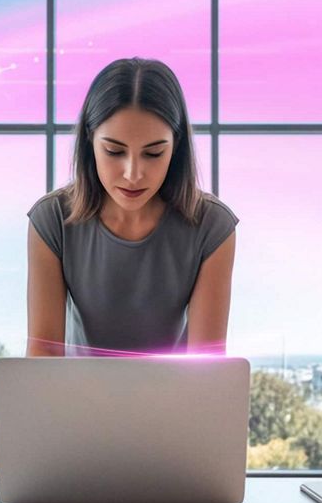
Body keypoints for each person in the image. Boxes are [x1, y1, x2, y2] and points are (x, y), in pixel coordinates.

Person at [27, 58, 237, 357]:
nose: (133, 174)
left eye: (153, 153)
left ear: (176, 146)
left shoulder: (212, 226)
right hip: (74, 389)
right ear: (89, 141)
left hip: (177, 389)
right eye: (114, 151)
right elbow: (43, 356)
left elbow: (206, 363)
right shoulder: (52, 219)